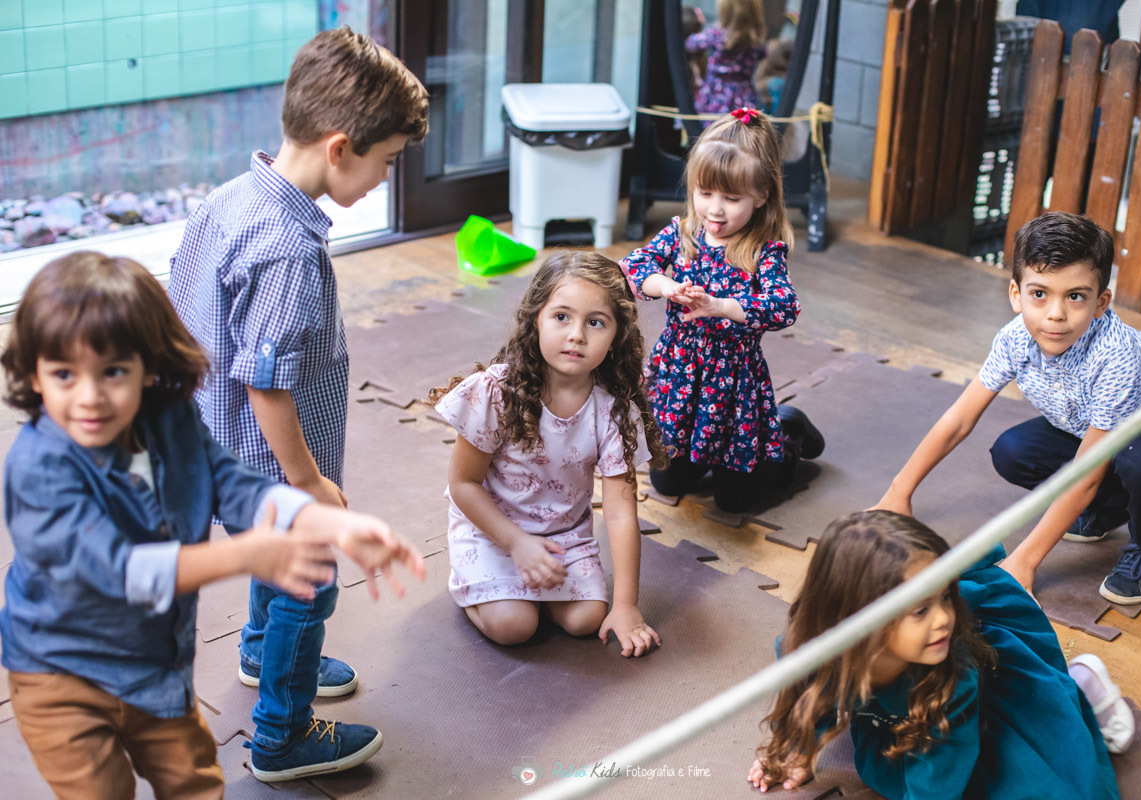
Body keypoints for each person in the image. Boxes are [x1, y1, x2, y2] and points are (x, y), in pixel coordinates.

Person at [0, 253, 426, 799]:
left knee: (195, 778)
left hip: (157, 664)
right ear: (34, 373)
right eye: (63, 374)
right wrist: (248, 557)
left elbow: (230, 480)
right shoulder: (39, 468)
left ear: (149, 367)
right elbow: (120, 570)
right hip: (63, 680)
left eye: (112, 372)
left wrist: (318, 518)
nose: (89, 396)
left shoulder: (168, 418)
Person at [166, 27, 429, 780]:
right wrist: (310, 482)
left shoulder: (231, 197)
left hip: (212, 439)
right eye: (387, 162)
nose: (385, 178)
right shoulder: (289, 249)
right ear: (341, 146)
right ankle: (281, 734)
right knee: (308, 582)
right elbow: (267, 382)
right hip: (268, 459)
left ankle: (257, 652)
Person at [875, 212, 1141, 605]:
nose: (1056, 314)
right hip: (1103, 433)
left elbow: (1084, 475)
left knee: (1140, 454)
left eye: (1075, 296)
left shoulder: (1118, 357)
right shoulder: (1015, 339)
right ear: (1016, 294)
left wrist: (1023, 562)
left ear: (1101, 302)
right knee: (1014, 451)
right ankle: (1114, 506)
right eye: (1040, 294)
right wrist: (899, 492)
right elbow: (959, 419)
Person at [747, 510, 1130, 797]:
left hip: (988, 695)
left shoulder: (953, 674)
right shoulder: (808, 652)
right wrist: (795, 750)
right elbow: (808, 702)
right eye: (920, 611)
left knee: (1041, 783)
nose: (945, 619)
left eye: (946, 598)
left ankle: (1076, 691)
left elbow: (938, 781)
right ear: (856, 620)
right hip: (903, 713)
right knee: (885, 770)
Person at [429, 251, 666, 657]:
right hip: (492, 531)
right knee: (513, 626)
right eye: (561, 317)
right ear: (535, 318)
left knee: (587, 619)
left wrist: (626, 605)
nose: (576, 335)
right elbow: (463, 484)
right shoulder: (495, 393)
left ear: (614, 340)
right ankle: (475, 584)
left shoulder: (614, 411)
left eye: (595, 322)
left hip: (563, 537)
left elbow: (622, 511)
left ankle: (527, 590)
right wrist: (517, 543)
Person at [620, 108, 823, 514]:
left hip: (734, 385)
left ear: (762, 194)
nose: (714, 209)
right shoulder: (682, 232)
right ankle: (710, 450)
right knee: (666, 481)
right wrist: (668, 286)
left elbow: (784, 307)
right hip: (680, 374)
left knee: (734, 502)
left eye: (731, 199)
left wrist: (720, 307)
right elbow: (634, 266)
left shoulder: (764, 249)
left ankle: (786, 431)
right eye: (704, 192)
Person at [686, 0, 768, 118]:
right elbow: (762, 54)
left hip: (714, 96)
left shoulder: (715, 34)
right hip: (745, 97)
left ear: (725, 10)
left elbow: (691, 43)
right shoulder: (757, 40)